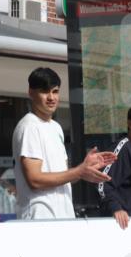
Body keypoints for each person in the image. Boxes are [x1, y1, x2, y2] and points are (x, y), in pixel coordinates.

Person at [12, 67, 116, 219]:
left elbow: (63, 175)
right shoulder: (29, 126)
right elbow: (34, 179)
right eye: (44, 91)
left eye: (55, 91)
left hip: (63, 217)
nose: (51, 97)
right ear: (31, 93)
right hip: (39, 218)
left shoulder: (56, 127)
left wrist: (85, 170)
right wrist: (79, 171)